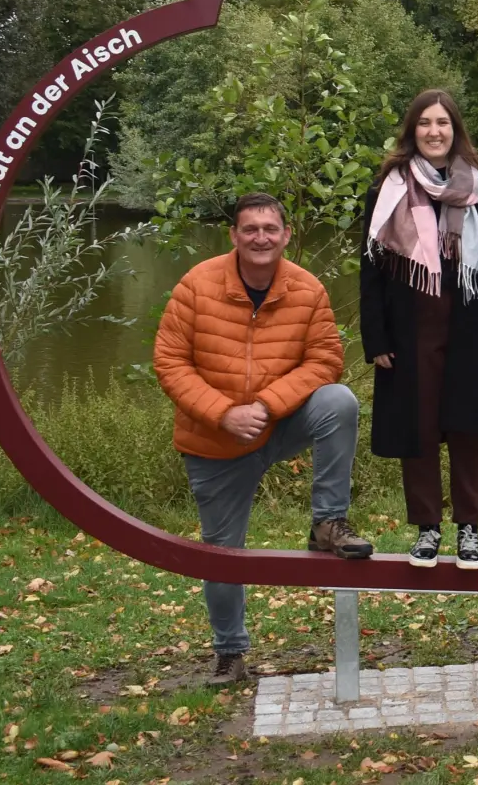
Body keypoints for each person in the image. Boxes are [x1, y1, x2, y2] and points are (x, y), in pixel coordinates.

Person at [154, 192, 373, 686]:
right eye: (250, 229)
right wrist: (223, 413)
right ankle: (230, 653)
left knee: (338, 400)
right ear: (233, 235)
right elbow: (169, 362)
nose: (260, 238)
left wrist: (267, 406)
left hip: (279, 423)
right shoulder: (197, 285)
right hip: (215, 441)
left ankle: (328, 523)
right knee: (221, 553)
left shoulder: (307, 289)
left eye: (270, 229)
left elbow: (324, 361)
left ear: (286, 235)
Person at [361, 89, 478, 570]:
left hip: (471, 324)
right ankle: (427, 528)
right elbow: (370, 270)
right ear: (412, 131)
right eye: (425, 123)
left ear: (456, 130)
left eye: (443, 123)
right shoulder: (387, 188)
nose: (434, 131)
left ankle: (469, 528)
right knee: (420, 428)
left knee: (469, 429)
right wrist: (377, 338)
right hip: (411, 330)